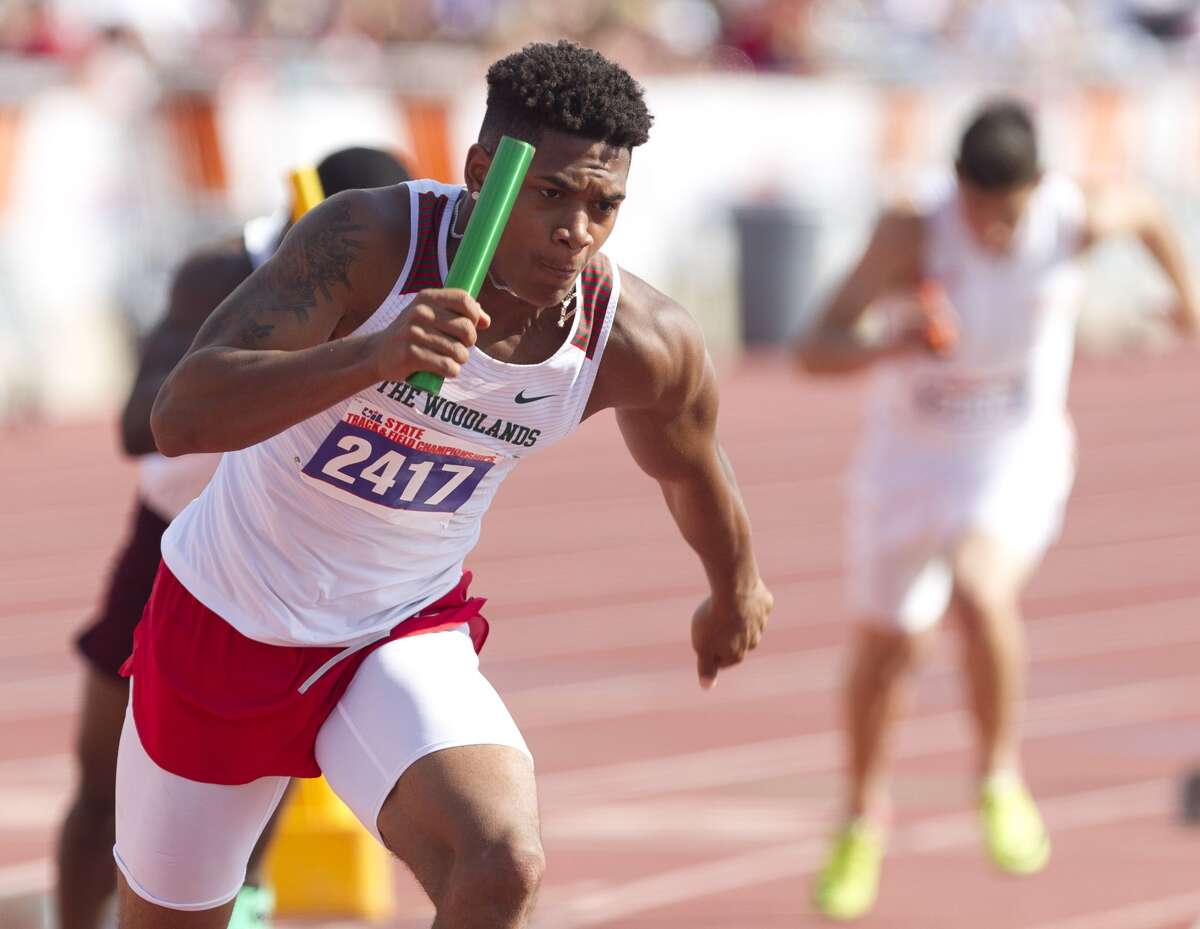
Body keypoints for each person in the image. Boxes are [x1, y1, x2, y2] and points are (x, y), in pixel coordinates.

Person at [114, 40, 774, 928]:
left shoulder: (632, 341)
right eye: (550, 194)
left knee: (501, 863)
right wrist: (372, 355)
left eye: (604, 205)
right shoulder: (371, 242)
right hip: (227, 624)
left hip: (393, 633)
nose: (576, 231)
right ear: (480, 172)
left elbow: (693, 466)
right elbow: (182, 414)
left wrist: (734, 590)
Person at [799, 98, 1197, 921]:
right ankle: (862, 820)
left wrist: (1188, 299)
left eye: (1006, 214)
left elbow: (1150, 212)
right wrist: (893, 342)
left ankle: (999, 778)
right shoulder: (911, 232)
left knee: (982, 591)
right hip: (907, 463)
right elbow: (816, 345)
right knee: (888, 649)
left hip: (1016, 452)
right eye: (978, 212)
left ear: (1038, 188)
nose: (991, 230)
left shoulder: (1072, 217)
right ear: (956, 190)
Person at [57, 146, 412, 929]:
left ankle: (241, 909)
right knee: (100, 790)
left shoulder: (411, 287)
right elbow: (137, 422)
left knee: (260, 779)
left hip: (289, 550)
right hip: (171, 541)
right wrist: (301, 368)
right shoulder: (220, 274)